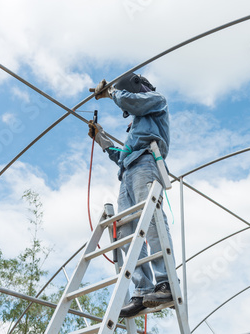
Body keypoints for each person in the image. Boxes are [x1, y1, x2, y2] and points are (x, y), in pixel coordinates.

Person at [88, 73, 175, 318]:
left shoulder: (157, 100)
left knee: (152, 221)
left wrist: (111, 92)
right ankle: (143, 289)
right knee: (126, 232)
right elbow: (123, 154)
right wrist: (101, 138)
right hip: (128, 171)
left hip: (147, 163)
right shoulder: (136, 126)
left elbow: (131, 103)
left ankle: (165, 282)